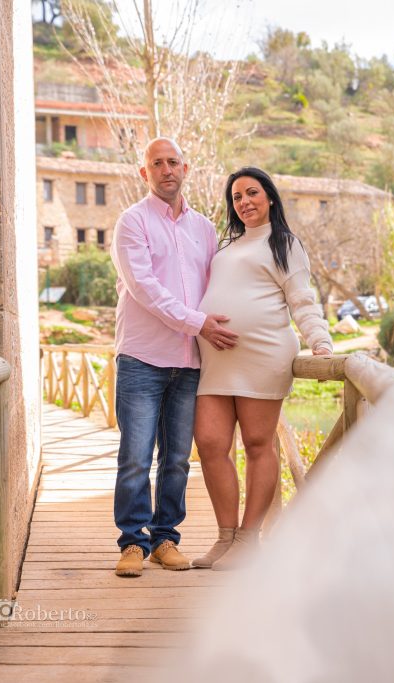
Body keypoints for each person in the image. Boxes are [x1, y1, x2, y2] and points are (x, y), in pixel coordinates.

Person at [192, 166, 333, 571]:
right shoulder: (226, 246)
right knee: (210, 443)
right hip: (216, 361)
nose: (244, 202)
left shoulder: (284, 243)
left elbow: (302, 299)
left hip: (264, 355)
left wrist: (320, 341)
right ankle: (225, 537)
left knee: (257, 444)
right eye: (236, 197)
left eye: (252, 192)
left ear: (269, 196)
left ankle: (248, 539)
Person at [110, 137, 238, 577]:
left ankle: (165, 539)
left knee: (178, 459)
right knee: (135, 458)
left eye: (173, 162)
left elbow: (217, 287)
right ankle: (132, 542)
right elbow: (144, 288)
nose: (166, 170)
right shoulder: (132, 222)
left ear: (186, 169)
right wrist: (198, 323)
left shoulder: (204, 228)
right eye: (157, 163)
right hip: (142, 357)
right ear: (144, 173)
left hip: (189, 364)